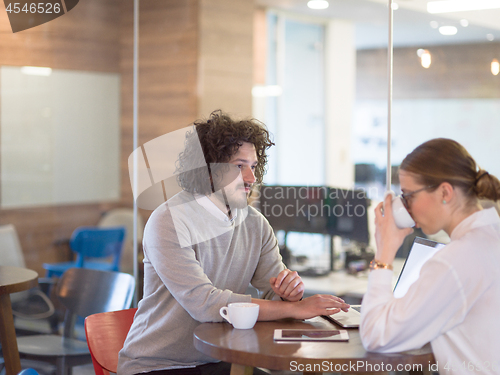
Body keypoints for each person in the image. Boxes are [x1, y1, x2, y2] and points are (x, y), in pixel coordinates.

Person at [118, 110, 349, 375]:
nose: (251, 178)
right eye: (239, 166)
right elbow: (205, 304)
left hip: (221, 358)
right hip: (159, 364)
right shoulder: (169, 220)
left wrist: (290, 293)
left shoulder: (256, 224)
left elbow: (274, 293)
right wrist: (295, 308)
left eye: (253, 166)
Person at [360, 138, 500, 374]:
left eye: (408, 196)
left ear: (445, 192)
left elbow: (376, 335)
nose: (405, 207)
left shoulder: (456, 261)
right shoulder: (489, 237)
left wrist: (384, 252)